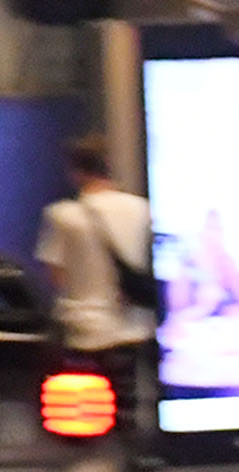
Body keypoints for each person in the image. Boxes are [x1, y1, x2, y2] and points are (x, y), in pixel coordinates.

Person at [34, 136, 156, 448]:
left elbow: (57, 274)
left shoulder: (63, 216)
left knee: (85, 424)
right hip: (133, 328)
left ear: (75, 171)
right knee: (130, 416)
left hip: (83, 331)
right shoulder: (142, 210)